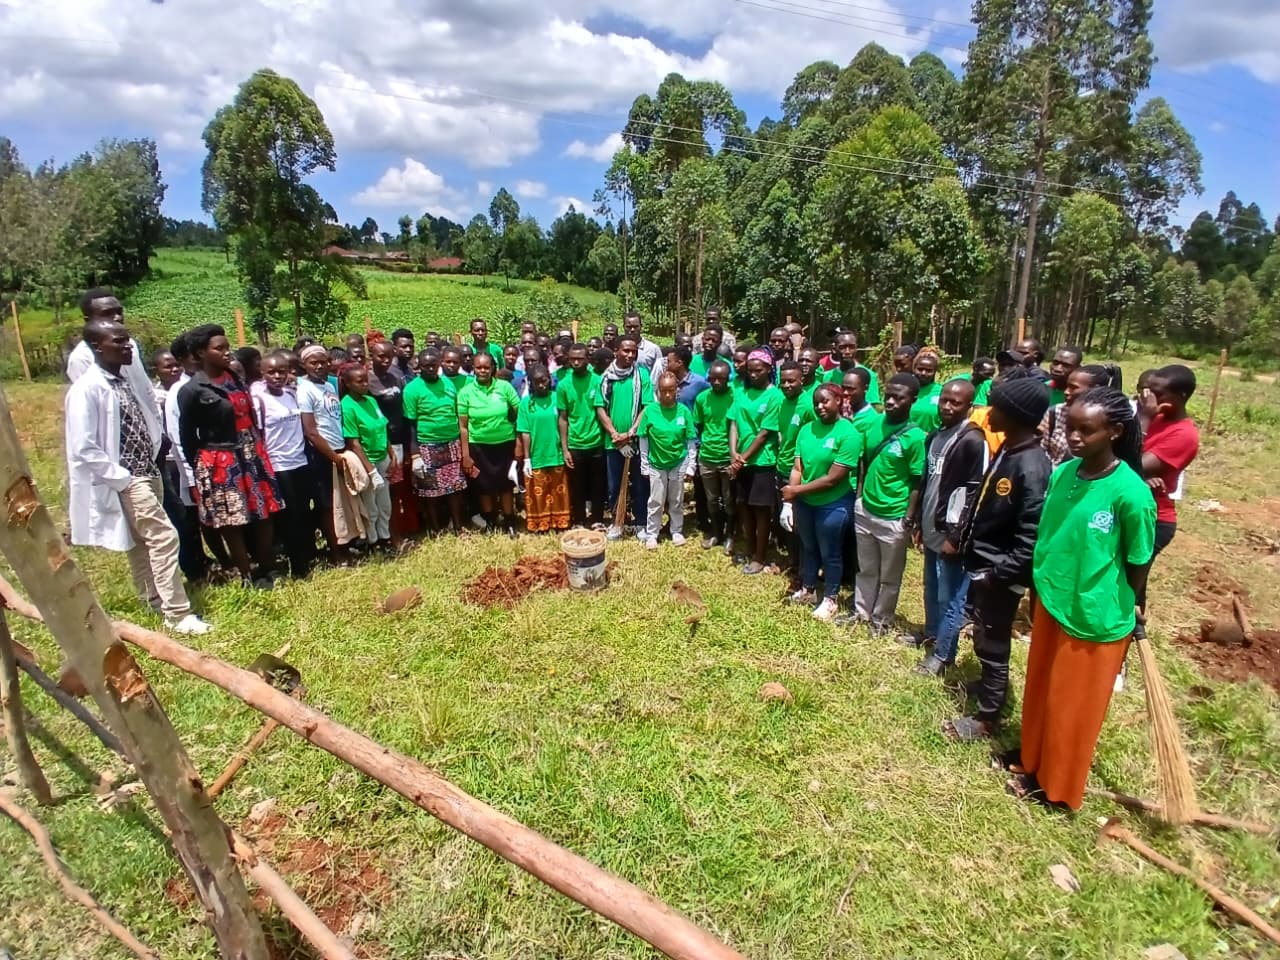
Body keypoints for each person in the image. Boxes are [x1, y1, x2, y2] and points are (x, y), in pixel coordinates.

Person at [1008, 387, 1155, 808]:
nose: (1074, 437)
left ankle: (1055, 788)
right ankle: (1030, 758)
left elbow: (1138, 560)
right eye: (1070, 427)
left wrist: (1129, 598)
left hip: (1093, 614)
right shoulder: (1064, 473)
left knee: (1072, 709)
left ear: (1114, 432)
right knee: (1040, 689)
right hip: (1054, 600)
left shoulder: (1130, 493)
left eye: (1085, 430)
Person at [65, 318, 211, 635]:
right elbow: (83, 446)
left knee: (141, 542)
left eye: (127, 340)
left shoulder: (123, 381)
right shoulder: (87, 389)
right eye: (118, 341)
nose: (126, 346)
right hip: (127, 478)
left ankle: (152, 599)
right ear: (96, 347)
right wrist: (121, 477)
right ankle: (177, 612)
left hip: (148, 471)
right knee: (163, 537)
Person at [944, 376, 1051, 741]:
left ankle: (987, 717)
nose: (987, 412)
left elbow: (1030, 536)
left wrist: (998, 576)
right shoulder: (1009, 447)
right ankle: (989, 689)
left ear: (1017, 415)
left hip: (999, 573)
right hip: (984, 564)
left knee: (993, 641)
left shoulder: (1032, 466)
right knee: (983, 632)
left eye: (996, 406)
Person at [177, 324, 283, 589]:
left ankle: (267, 566)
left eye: (227, 347)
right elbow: (187, 435)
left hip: (252, 453)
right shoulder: (192, 389)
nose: (227, 353)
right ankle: (247, 574)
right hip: (220, 459)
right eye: (219, 348)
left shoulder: (234, 377)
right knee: (232, 521)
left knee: (264, 513)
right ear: (201, 353)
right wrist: (202, 468)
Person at [909, 380, 988, 676]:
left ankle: (944, 655)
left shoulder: (972, 441)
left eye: (955, 403)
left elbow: (973, 493)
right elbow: (926, 482)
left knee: (951, 595)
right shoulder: (935, 436)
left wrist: (957, 537)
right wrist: (917, 520)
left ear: (969, 406)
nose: (947, 407)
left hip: (951, 535)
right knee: (931, 587)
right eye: (944, 400)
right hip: (930, 527)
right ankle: (932, 634)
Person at [847, 374, 926, 632]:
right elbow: (863, 462)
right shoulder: (873, 424)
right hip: (866, 509)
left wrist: (909, 516)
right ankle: (861, 612)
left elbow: (917, 480)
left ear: (912, 400)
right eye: (888, 396)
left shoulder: (915, 438)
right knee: (866, 568)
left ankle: (882, 619)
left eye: (898, 398)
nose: (891, 402)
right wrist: (859, 496)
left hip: (894, 515)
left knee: (890, 576)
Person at [781, 383, 862, 622]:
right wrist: (791, 500)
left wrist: (794, 490)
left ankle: (830, 598)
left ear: (838, 401)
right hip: (806, 502)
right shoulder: (807, 429)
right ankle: (808, 589)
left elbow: (833, 478)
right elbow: (798, 467)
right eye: (816, 402)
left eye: (825, 401)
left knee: (831, 552)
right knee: (808, 547)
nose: (820, 406)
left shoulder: (848, 433)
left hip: (833, 503)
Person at [253, 351, 315, 578]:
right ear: (262, 373)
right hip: (279, 466)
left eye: (282, 371)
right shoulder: (259, 400)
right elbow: (258, 434)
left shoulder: (291, 395)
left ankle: (307, 556)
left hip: (300, 461)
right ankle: (297, 566)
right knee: (289, 517)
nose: (277, 376)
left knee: (302, 513)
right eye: (271, 372)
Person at [729, 349, 782, 575]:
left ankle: (760, 556)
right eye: (750, 371)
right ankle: (749, 548)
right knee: (744, 507)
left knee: (761, 511)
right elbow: (733, 423)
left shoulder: (775, 396)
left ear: (769, 369)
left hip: (763, 462)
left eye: (758, 370)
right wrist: (734, 453)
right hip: (740, 461)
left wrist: (743, 459)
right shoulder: (742, 393)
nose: (753, 375)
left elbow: (764, 434)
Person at [1139, 364, 1199, 561]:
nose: (1150, 398)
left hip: (1153, 519)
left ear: (1181, 395)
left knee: (1129, 587)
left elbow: (1132, 465)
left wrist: (1144, 418)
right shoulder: (1156, 417)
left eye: (1157, 393)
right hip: (1132, 508)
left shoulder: (1184, 435)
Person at [404, 350, 467, 533]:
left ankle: (458, 526)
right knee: (430, 491)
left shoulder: (447, 383)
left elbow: (455, 412)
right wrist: (415, 454)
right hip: (427, 445)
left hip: (451, 442)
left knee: (455, 487)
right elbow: (411, 424)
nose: (431, 369)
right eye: (426, 366)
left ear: (439, 365)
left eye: (434, 365)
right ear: (420, 367)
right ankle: (435, 529)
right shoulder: (412, 389)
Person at [457, 352, 521, 535]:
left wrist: (518, 442)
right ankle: (491, 521)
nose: (483, 370)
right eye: (479, 367)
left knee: (506, 485)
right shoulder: (466, 392)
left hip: (505, 444)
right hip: (479, 446)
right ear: (474, 369)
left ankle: (509, 521)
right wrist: (466, 454)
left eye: (486, 367)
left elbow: (518, 413)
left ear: (493, 368)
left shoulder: (504, 387)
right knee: (484, 487)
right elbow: (463, 426)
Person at [296, 344, 349, 564]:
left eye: (323, 362)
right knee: (327, 505)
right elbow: (311, 431)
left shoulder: (329, 385)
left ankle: (344, 545)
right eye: (313, 363)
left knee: (340, 503)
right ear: (304, 365)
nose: (319, 366)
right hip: (321, 454)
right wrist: (334, 457)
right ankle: (336, 553)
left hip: (338, 448)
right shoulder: (304, 389)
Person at [597, 336, 653, 538]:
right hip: (613, 444)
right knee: (614, 485)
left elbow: (647, 406)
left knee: (639, 483)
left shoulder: (642, 375)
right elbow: (600, 408)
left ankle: (640, 523)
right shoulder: (606, 377)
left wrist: (631, 433)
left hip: (637, 441)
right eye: (625, 351)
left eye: (633, 351)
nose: (630, 355)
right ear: (616, 352)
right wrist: (615, 434)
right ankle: (617, 521)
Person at [637, 371, 698, 549]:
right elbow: (643, 439)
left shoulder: (684, 411)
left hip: (678, 462)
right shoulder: (650, 411)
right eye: (664, 391)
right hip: (656, 463)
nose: (668, 394)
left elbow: (690, 441)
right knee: (655, 500)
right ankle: (652, 534)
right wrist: (644, 465)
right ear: (658, 391)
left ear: (677, 390)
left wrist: (690, 466)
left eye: (671, 390)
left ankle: (676, 530)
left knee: (676, 499)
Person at [66, 290, 155, 406]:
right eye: (107, 313)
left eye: (119, 312)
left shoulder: (130, 344)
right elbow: (91, 404)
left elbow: (145, 389)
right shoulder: (81, 358)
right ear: (88, 320)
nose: (117, 317)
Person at [339, 364, 393, 553]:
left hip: (382, 457)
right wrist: (371, 470)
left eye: (366, 380)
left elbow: (381, 426)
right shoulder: (347, 406)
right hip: (366, 462)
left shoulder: (371, 400)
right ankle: (373, 541)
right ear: (347, 383)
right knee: (371, 507)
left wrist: (391, 454)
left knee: (384, 503)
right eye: (359, 381)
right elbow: (354, 443)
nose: (364, 384)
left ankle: (385, 537)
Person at [369, 341, 416, 544]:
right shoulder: (367, 380)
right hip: (380, 445)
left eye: (388, 356)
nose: (385, 360)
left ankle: (397, 531)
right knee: (383, 492)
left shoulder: (395, 377)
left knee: (396, 490)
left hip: (398, 442)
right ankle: (387, 537)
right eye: (381, 356)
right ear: (371, 355)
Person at [556, 344, 608, 529]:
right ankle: (578, 520)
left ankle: (597, 520)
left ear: (587, 360)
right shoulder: (563, 385)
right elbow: (563, 419)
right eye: (572, 359)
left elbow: (602, 411)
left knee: (597, 485)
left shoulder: (598, 380)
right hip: (575, 444)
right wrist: (565, 449)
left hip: (596, 442)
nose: (576, 362)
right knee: (576, 486)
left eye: (580, 358)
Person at [517, 364, 571, 533]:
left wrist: (565, 449)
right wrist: (526, 458)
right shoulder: (526, 404)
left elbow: (565, 423)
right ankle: (541, 524)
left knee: (558, 491)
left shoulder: (557, 398)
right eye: (536, 382)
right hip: (536, 454)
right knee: (538, 492)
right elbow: (524, 431)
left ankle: (560, 523)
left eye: (544, 381)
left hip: (556, 453)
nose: (541, 385)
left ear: (549, 379)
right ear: (531, 383)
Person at [775, 361, 814, 574]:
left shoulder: (808, 405)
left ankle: (804, 569)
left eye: (792, 381)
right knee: (788, 522)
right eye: (784, 381)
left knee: (801, 526)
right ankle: (793, 562)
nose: (788, 385)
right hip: (782, 468)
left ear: (801, 380)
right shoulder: (782, 402)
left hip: (800, 473)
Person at [694, 360, 736, 554]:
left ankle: (730, 536)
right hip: (707, 457)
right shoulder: (702, 398)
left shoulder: (736, 396)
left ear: (729, 378)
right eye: (713, 378)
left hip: (728, 458)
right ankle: (716, 533)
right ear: (708, 378)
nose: (717, 382)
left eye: (722, 378)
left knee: (729, 500)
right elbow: (699, 425)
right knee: (712, 500)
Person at [1040, 364, 1117, 467]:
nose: (1066, 392)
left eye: (1073, 388)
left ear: (1095, 389)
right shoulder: (1055, 412)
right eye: (1067, 386)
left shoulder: (1109, 420)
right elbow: (1041, 451)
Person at [824, 331, 881, 404]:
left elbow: (873, 406)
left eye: (851, 347)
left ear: (856, 348)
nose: (847, 351)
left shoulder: (868, 376)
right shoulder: (827, 377)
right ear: (835, 349)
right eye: (842, 347)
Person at [661, 344, 709, 409]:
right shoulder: (667, 381)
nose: (666, 364)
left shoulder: (699, 382)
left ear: (679, 363)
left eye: (669, 361)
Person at [908, 348, 943, 431]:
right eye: (920, 369)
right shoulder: (905, 389)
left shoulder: (942, 392)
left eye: (928, 370)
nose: (923, 373)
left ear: (935, 371)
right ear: (913, 369)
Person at [841, 367, 879, 437]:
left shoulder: (872, 420)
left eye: (850, 389)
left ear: (865, 388)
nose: (845, 392)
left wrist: (846, 423)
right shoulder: (839, 411)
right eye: (843, 388)